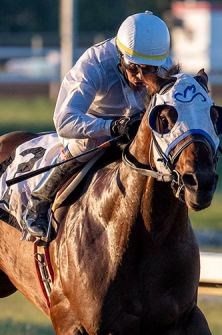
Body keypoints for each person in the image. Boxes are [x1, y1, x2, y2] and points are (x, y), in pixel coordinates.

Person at [23, 11, 174, 240]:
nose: (141, 78)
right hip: (94, 126)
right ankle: (39, 202)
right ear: (120, 57)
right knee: (83, 146)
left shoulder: (164, 64)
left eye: (150, 70)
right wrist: (112, 127)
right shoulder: (94, 64)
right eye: (134, 68)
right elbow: (64, 121)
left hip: (138, 127)